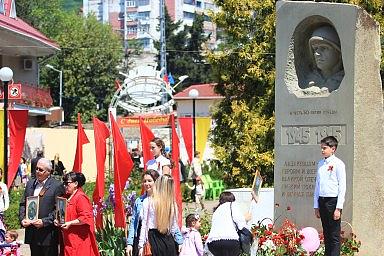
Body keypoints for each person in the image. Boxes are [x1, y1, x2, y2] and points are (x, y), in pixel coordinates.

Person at [19, 158, 65, 256]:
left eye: (41, 170)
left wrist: (44, 222)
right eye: (36, 169)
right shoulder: (30, 183)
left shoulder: (57, 186)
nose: (37, 172)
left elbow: (59, 210)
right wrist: (22, 219)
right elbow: (23, 204)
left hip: (47, 235)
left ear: (48, 172)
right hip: (32, 233)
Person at [314, 136, 346, 256]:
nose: (322, 150)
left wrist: (338, 208)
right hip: (322, 201)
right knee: (326, 233)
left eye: (324, 148)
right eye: (321, 148)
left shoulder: (338, 164)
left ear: (333, 149)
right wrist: (316, 206)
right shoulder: (320, 164)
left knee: (334, 235)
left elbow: (342, 187)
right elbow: (317, 186)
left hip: (333, 202)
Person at [54, 171, 100, 256]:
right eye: (63, 183)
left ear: (75, 184)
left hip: (79, 241)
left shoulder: (80, 197)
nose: (64, 186)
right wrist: (57, 220)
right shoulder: (65, 197)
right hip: (68, 241)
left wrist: (70, 223)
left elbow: (85, 217)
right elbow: (61, 215)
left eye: (67, 183)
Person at [138, 174, 183, 256]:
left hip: (153, 240)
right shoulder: (172, 204)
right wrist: (179, 241)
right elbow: (173, 227)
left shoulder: (148, 202)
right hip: (168, 240)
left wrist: (141, 245)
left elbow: (144, 225)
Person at [126, 170, 160, 256]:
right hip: (141, 236)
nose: (146, 183)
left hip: (158, 237)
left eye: (149, 180)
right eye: (144, 181)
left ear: (156, 181)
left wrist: (179, 240)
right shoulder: (139, 201)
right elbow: (133, 223)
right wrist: (130, 243)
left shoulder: (162, 199)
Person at [206, 192, 251, 256]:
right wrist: (246, 219)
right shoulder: (232, 205)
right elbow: (241, 225)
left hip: (213, 243)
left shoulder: (216, 211)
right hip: (230, 241)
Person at [305, 25, 344, 93]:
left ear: (338, 52)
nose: (317, 54)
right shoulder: (310, 80)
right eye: (315, 49)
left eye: (324, 48)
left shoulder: (343, 80)